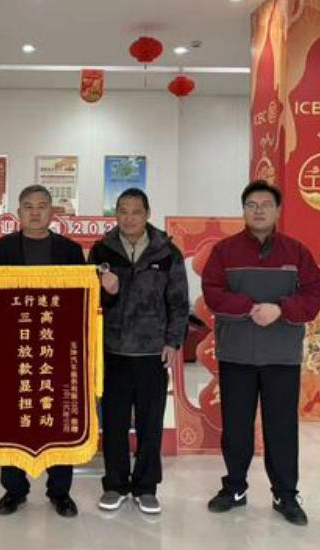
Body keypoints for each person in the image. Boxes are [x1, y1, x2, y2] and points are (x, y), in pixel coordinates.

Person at [201, 180, 320, 526]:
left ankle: (285, 494)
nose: (258, 210)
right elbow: (212, 292)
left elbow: (314, 294)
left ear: (278, 211)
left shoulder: (296, 252)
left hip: (281, 355)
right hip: (236, 353)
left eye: (266, 204)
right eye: (251, 205)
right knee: (236, 426)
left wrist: (280, 309)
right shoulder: (224, 251)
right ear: (243, 210)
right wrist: (250, 307)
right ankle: (234, 488)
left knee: (281, 428)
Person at [0, 184, 85, 519]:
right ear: (18, 212)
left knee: (60, 418)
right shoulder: (1, 249)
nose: (35, 212)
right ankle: (14, 490)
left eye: (42, 206)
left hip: (59, 348)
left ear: (52, 212)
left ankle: (60, 492)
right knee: (14, 418)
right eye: (28, 206)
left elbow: (83, 302)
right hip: (14, 349)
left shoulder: (71, 251)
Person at [88, 188, 189, 516]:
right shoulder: (101, 251)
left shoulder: (166, 252)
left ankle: (146, 487)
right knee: (113, 423)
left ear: (147, 214)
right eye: (123, 211)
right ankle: (115, 485)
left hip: (151, 353)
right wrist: (107, 293)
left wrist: (173, 341)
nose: (129, 218)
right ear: (115, 214)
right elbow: (89, 302)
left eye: (136, 211)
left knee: (150, 423)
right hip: (112, 351)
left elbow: (178, 303)